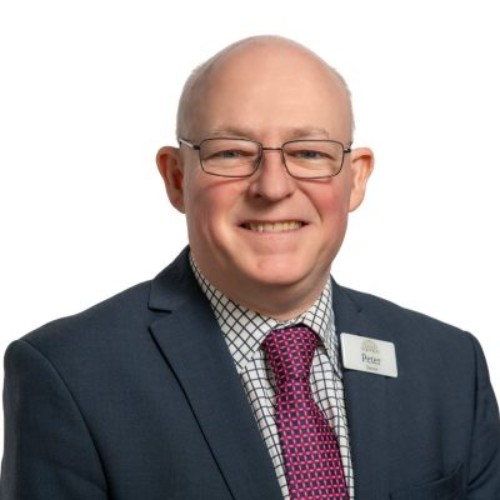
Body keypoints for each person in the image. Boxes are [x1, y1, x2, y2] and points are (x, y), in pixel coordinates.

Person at [1, 35, 499, 500]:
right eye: (232, 153)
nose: (273, 187)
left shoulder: (451, 366)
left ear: (356, 178)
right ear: (176, 178)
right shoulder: (68, 375)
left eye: (309, 152)